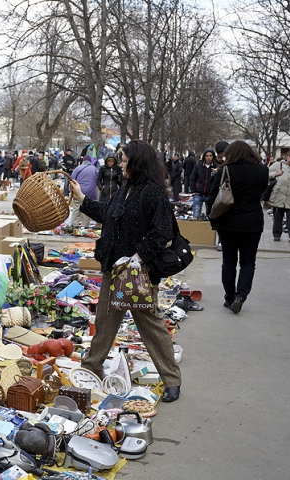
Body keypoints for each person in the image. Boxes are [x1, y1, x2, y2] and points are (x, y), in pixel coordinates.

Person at [68, 139, 181, 403]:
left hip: (138, 272)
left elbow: (163, 231)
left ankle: (172, 380)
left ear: (137, 162)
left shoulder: (152, 192)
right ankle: (91, 369)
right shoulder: (126, 188)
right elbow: (109, 214)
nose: (121, 164)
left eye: (125, 160)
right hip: (114, 268)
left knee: (151, 325)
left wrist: (137, 256)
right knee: (105, 321)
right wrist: (82, 199)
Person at [206, 141, 269, 314]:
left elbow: (212, 197)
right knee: (248, 262)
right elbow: (264, 191)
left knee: (229, 261)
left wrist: (212, 220)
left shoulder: (225, 171)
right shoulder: (262, 171)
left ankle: (229, 297)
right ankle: (241, 296)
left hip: (228, 223)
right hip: (253, 222)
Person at [266, 149, 290, 242]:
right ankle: (277, 235)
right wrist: (276, 174)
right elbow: (266, 173)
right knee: (278, 216)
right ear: (287, 156)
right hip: (279, 195)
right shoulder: (279, 165)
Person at [66, 155, 98, 229]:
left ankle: (74, 226)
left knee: (77, 208)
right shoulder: (95, 169)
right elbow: (97, 181)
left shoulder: (78, 168)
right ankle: (85, 227)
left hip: (79, 191)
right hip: (91, 192)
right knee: (88, 208)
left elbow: (72, 179)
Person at [189, 148, 218, 219]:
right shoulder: (198, 166)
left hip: (210, 195)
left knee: (210, 217)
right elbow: (192, 178)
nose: (208, 158)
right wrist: (193, 191)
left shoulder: (216, 167)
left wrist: (218, 173)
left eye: (210, 156)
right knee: (196, 216)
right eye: (207, 156)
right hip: (198, 194)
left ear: (213, 156)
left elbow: (218, 181)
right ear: (204, 156)